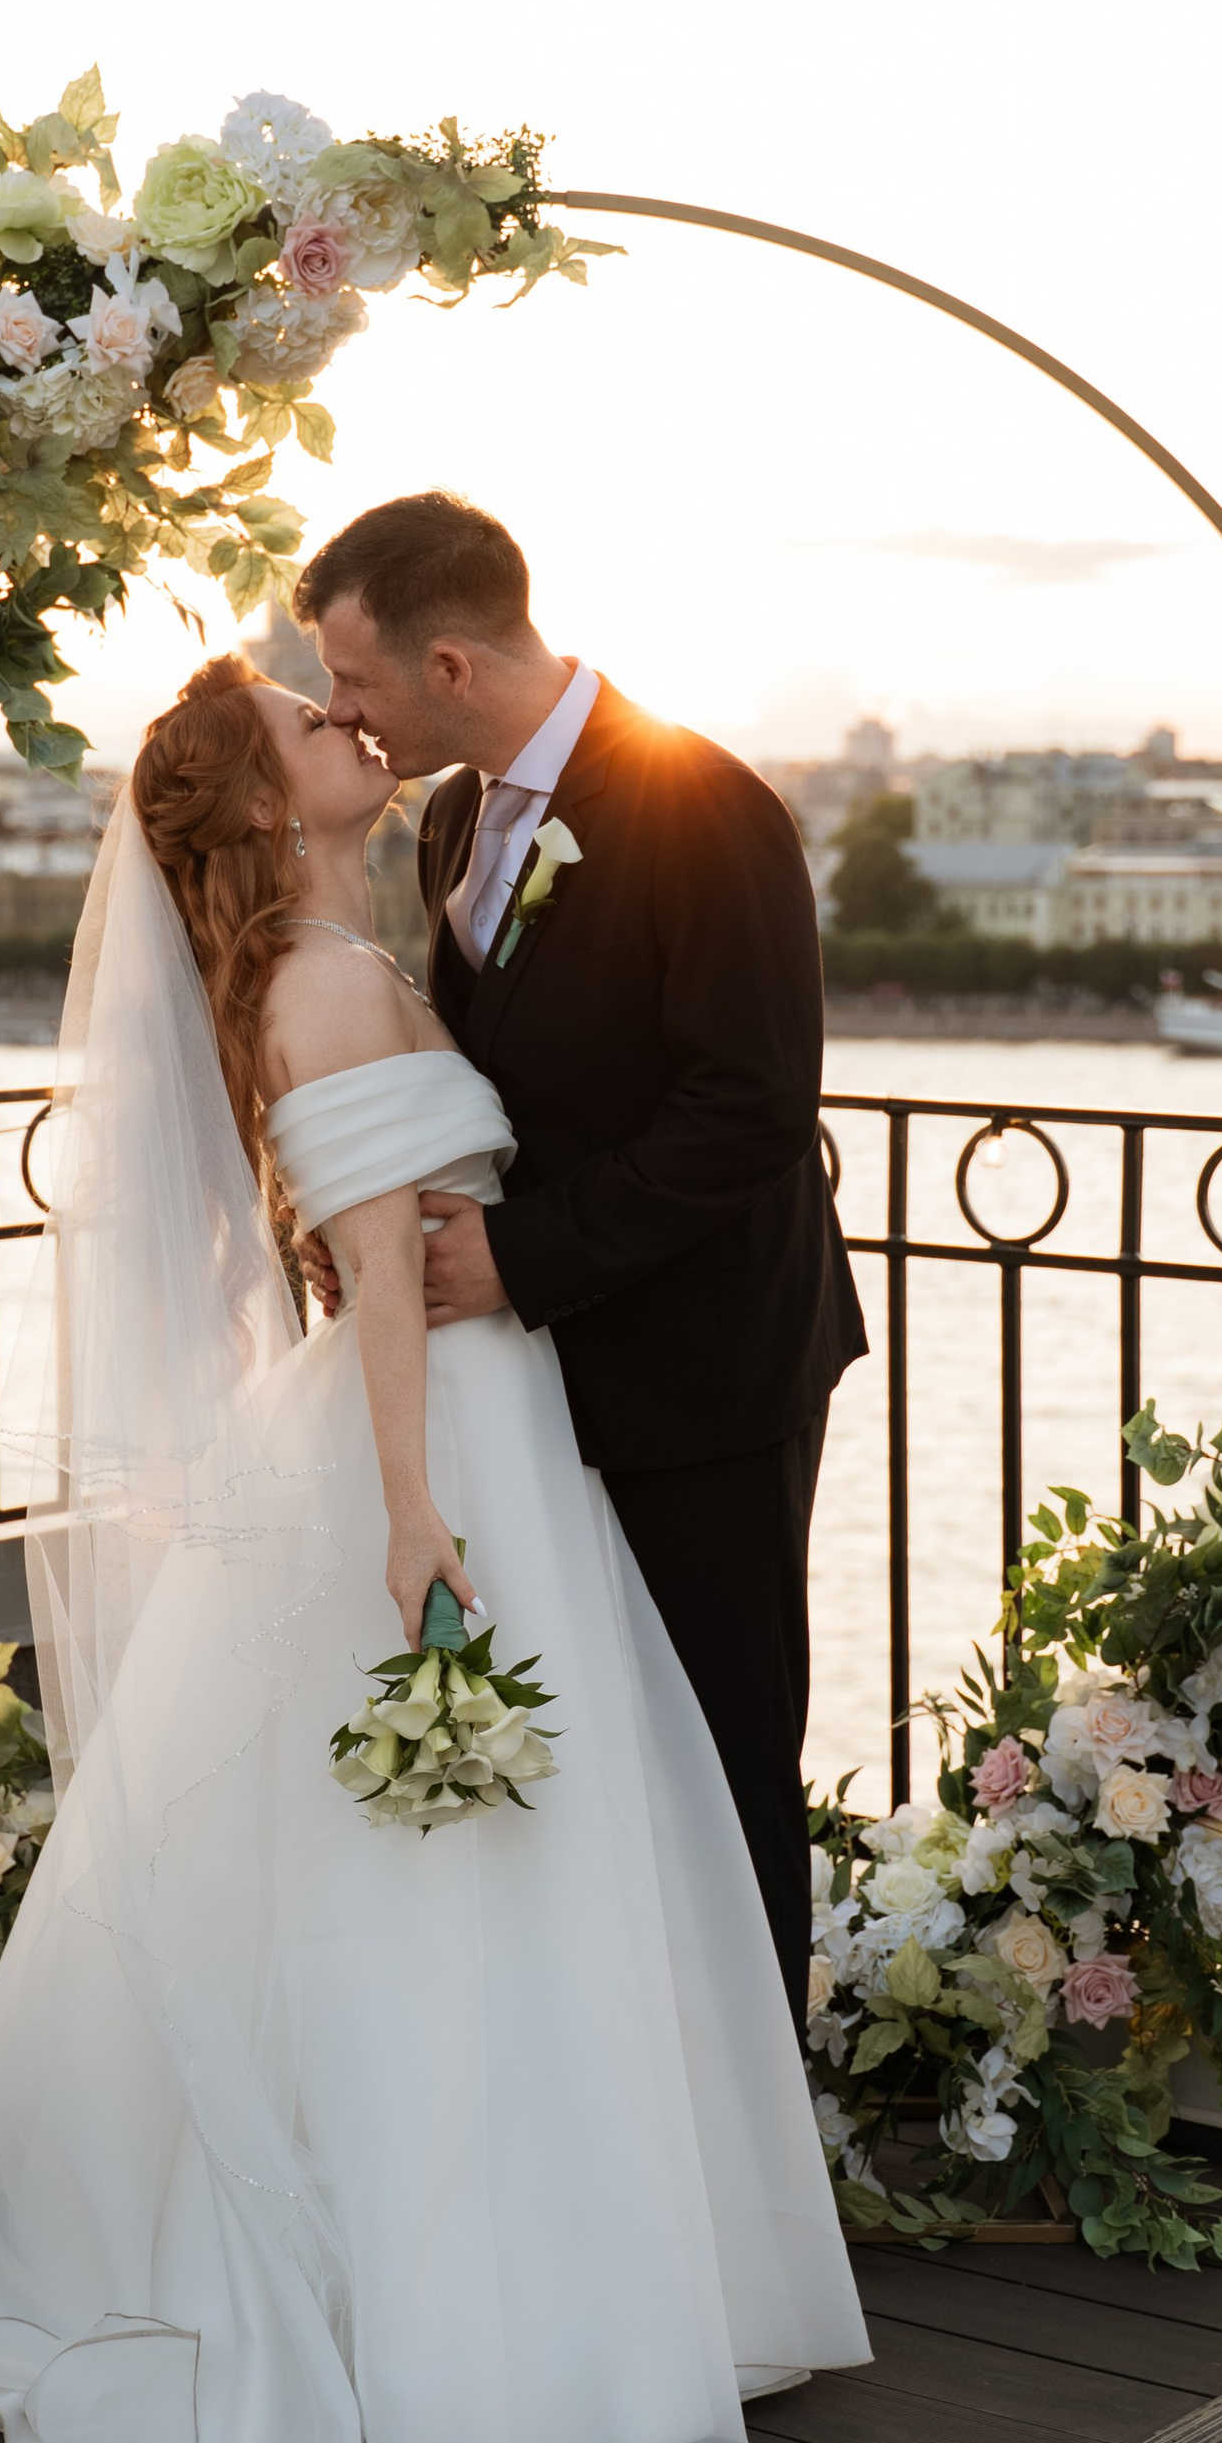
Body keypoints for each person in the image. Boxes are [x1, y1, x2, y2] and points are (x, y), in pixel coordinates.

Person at [0, 654, 867, 2443]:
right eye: (304, 714)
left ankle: (547, 2272)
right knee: (457, 1866)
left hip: (478, 1422)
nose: (341, 720)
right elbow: (378, 1273)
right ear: (264, 797)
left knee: (474, 1860)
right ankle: (496, 2306)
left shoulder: (347, 946)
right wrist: (411, 1514)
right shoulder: (322, 973)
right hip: (442, 1441)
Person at [292, 491, 866, 2026]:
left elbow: (749, 1111)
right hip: (554, 1375)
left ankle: (761, 2119)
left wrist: (519, 1260)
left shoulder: (703, 803)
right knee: (611, 1749)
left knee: (724, 1742)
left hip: (704, 1367)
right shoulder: (460, 818)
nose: (341, 712)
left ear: (454, 665)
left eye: (355, 683)